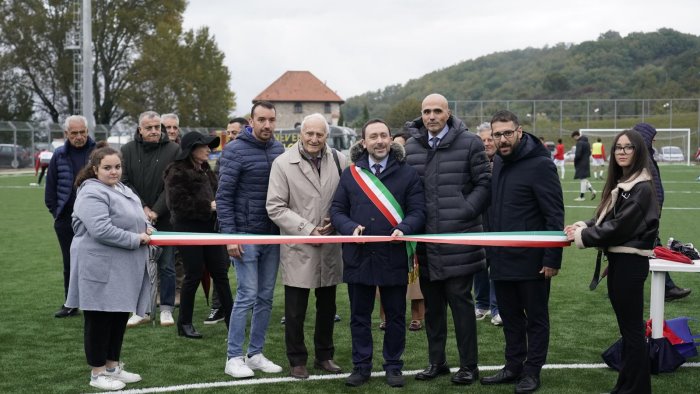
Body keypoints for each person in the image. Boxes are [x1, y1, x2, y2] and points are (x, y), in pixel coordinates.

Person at [330, 119, 425, 388]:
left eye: (384, 135)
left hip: (393, 255)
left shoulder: (407, 174)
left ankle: (393, 366)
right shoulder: (350, 174)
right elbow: (337, 210)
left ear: (391, 140)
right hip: (359, 256)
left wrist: (404, 227)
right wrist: (349, 228)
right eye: (374, 137)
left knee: (395, 316)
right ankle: (362, 366)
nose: (380, 141)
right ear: (364, 142)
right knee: (360, 317)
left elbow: (419, 211)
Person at [404, 93, 490, 385]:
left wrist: (465, 211)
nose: (431, 116)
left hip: (459, 241)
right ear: (421, 113)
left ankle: (469, 366)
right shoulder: (412, 145)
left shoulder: (470, 142)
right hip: (426, 245)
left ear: (448, 113)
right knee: (433, 308)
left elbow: (485, 184)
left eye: (437, 111)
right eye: (426, 111)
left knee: (461, 306)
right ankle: (436, 362)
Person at [565, 129, 658, 394]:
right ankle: (627, 386)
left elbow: (619, 228)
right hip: (619, 262)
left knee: (632, 333)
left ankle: (637, 389)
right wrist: (583, 225)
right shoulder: (626, 183)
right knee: (629, 332)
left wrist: (583, 236)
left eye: (629, 148)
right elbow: (607, 220)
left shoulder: (641, 187)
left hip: (630, 265)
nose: (623, 152)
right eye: (619, 148)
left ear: (638, 151)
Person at [482, 110, 563, 393]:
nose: (502, 139)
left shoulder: (541, 164)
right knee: (511, 317)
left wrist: (552, 258)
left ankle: (532, 372)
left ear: (519, 131)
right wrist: (490, 251)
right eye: (497, 134)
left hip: (533, 261)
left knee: (536, 319)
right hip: (502, 258)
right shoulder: (499, 163)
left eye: (507, 133)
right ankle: (513, 366)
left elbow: (554, 215)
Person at [266, 113, 348, 379]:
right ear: (301, 133)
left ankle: (325, 355)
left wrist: (336, 221)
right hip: (299, 245)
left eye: (319, 134)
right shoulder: (282, 163)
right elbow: (275, 207)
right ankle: (297, 359)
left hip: (330, 243)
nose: (314, 139)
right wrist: (307, 229)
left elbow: (347, 198)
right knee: (295, 310)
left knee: (328, 307)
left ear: (326, 136)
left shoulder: (340, 159)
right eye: (309, 133)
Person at [66, 143, 152, 391]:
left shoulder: (122, 188)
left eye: (117, 167)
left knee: (117, 317)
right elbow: (101, 229)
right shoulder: (91, 192)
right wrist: (136, 239)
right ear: (95, 169)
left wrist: (148, 229)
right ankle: (97, 373)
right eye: (107, 168)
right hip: (99, 266)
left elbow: (140, 219)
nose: (114, 172)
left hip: (121, 267)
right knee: (99, 319)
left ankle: (112, 368)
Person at [218, 101, 285, 378]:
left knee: (266, 297)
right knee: (246, 295)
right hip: (245, 234)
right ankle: (234, 356)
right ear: (251, 121)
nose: (267, 125)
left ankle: (255, 354)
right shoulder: (234, 150)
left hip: (273, 234)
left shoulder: (279, 149)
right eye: (262, 120)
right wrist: (230, 237)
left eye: (271, 120)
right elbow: (223, 197)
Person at [163, 132, 234, 339]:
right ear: (192, 149)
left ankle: (232, 320)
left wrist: (216, 206)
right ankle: (184, 323)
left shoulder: (205, 169)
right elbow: (176, 204)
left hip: (210, 229)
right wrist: (209, 206)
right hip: (188, 229)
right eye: (204, 146)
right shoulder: (175, 171)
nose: (208, 149)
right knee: (193, 274)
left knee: (220, 273)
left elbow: (217, 194)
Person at [121, 111, 180, 327]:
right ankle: (141, 310)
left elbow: (173, 183)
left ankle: (166, 309)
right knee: (139, 265)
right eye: (149, 127)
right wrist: (143, 208)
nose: (154, 131)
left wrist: (156, 210)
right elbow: (124, 181)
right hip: (136, 218)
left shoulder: (174, 150)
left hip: (165, 217)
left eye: (157, 127)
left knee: (166, 265)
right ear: (140, 130)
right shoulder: (127, 150)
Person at [45, 115, 96, 318]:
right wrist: (57, 213)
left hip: (94, 218)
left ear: (87, 131)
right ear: (66, 134)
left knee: (96, 261)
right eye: (74, 133)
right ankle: (70, 303)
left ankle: (96, 303)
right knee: (70, 262)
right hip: (66, 219)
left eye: (82, 132)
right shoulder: (59, 155)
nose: (79, 136)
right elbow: (50, 189)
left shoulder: (98, 153)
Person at [633, 122, 691, 301]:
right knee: (651, 249)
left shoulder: (644, 156)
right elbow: (652, 190)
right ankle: (668, 289)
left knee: (637, 250)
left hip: (644, 215)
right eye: (652, 137)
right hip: (644, 216)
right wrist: (653, 215)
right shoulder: (643, 158)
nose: (655, 140)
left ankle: (667, 288)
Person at [376, 130, 425, 332]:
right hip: (385, 233)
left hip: (409, 230)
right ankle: (384, 315)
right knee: (382, 278)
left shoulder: (409, 171)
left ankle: (417, 316)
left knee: (415, 279)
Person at [473, 122, 501, 326]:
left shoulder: (504, 162)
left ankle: (497, 307)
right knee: (480, 266)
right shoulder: (472, 162)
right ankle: (481, 304)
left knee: (498, 267)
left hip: (500, 222)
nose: (486, 143)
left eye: (490, 139)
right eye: (482, 140)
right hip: (478, 222)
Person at [571, 130, 596, 201]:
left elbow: (578, 155)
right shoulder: (587, 143)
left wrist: (575, 161)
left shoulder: (579, 143)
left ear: (576, 136)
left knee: (582, 179)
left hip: (581, 163)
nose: (574, 139)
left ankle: (582, 197)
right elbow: (589, 153)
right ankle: (592, 191)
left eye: (574, 138)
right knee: (584, 179)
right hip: (586, 162)